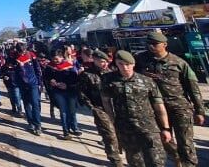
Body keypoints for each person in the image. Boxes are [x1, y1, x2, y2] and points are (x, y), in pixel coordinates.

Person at [134, 31, 205, 167]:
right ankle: (176, 156)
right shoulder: (140, 60)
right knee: (164, 139)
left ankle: (188, 163)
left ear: (164, 44)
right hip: (154, 108)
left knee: (186, 142)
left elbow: (193, 88)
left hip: (179, 107)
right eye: (148, 44)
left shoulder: (179, 63)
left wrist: (199, 111)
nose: (151, 46)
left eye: (155, 44)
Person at [102, 50, 170, 167]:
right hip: (126, 128)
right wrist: (112, 122)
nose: (125, 67)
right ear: (116, 64)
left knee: (156, 160)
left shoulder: (147, 81)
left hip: (148, 127)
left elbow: (159, 106)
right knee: (135, 162)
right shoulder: (108, 80)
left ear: (133, 64)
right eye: (121, 64)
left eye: (128, 64)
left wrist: (165, 128)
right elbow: (106, 102)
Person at [79, 50, 123, 167]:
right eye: (102, 61)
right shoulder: (87, 74)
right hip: (99, 107)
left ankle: (119, 150)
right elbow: (82, 92)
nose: (104, 64)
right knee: (109, 134)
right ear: (95, 60)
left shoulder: (112, 73)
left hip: (115, 107)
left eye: (106, 62)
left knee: (119, 132)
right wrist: (91, 107)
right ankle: (115, 160)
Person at [48, 50, 81, 139]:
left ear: (62, 57)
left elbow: (75, 79)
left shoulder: (69, 66)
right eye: (53, 59)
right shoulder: (50, 66)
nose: (55, 61)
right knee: (63, 111)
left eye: (56, 59)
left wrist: (67, 85)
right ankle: (65, 131)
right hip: (58, 91)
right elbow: (46, 76)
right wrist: (51, 81)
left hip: (70, 91)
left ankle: (74, 127)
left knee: (72, 110)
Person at [13, 42, 43, 135]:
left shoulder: (31, 55)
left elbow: (37, 69)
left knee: (35, 103)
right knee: (26, 104)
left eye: (23, 51)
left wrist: (39, 82)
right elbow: (11, 69)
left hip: (33, 83)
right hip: (22, 84)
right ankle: (30, 123)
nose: (22, 53)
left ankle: (37, 125)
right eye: (20, 52)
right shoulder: (14, 57)